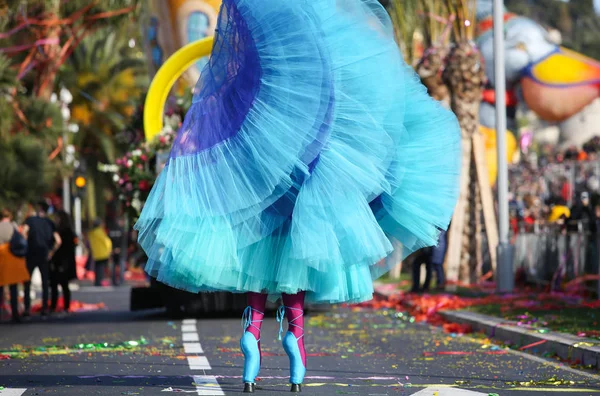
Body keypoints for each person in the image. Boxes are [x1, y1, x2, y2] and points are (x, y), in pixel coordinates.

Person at [134, 0, 461, 393]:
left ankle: (252, 333)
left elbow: (231, 73)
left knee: (255, 270)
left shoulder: (261, 126)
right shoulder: (317, 118)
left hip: (266, 208)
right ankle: (295, 339)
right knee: (295, 280)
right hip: (301, 203)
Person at [23, 201, 61, 318]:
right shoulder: (50, 223)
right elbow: (58, 241)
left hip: (31, 254)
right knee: (45, 282)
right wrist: (51, 252)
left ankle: (27, 308)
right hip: (44, 254)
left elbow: (24, 232)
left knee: (27, 282)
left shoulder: (30, 220)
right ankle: (45, 308)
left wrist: (25, 244)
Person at [0, 208, 31, 323]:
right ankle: (14, 313)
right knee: (13, 287)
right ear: (10, 216)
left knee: (0, 288)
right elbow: (20, 240)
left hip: (0, 258)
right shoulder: (13, 226)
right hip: (11, 259)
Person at [49, 211, 78, 314]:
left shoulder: (63, 232)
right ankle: (62, 306)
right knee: (59, 285)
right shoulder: (68, 231)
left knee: (59, 285)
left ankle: (58, 306)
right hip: (64, 262)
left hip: (62, 261)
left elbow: (67, 247)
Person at [88, 218, 112, 287]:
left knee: (97, 268)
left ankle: (97, 281)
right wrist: (109, 249)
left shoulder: (91, 233)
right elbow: (106, 241)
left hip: (96, 253)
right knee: (101, 268)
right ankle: (100, 281)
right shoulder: (99, 232)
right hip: (103, 252)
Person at [108, 217, 126, 286]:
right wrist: (119, 249)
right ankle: (121, 281)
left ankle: (113, 281)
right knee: (121, 266)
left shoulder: (111, 230)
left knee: (113, 267)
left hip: (113, 251)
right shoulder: (122, 230)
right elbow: (123, 242)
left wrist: (112, 249)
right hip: (121, 252)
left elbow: (108, 241)